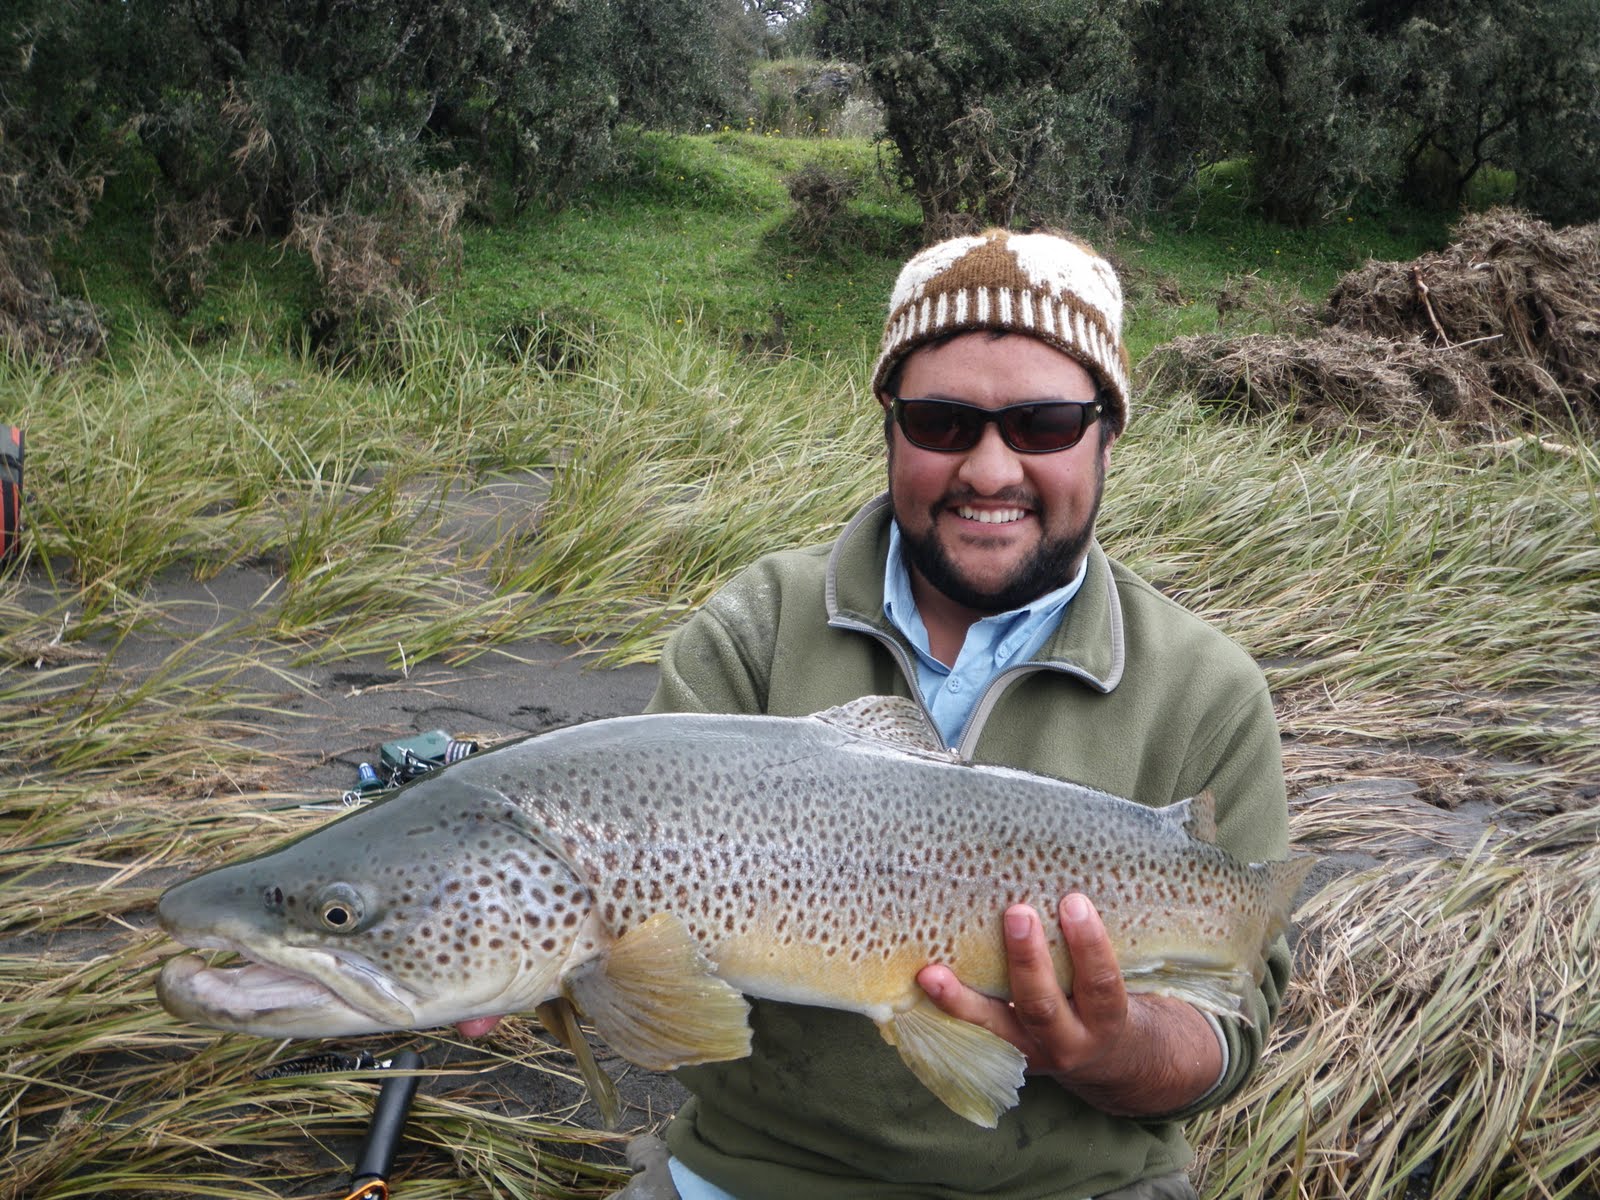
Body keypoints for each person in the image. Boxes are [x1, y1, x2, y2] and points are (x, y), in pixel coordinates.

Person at [637, 228, 1293, 1200]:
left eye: (1043, 424)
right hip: (753, 1174)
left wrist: (1110, 1047)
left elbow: (1225, 1037)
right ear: (890, 429)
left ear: (1107, 436)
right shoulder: (753, 631)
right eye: (942, 423)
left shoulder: (1208, 691)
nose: (989, 470)